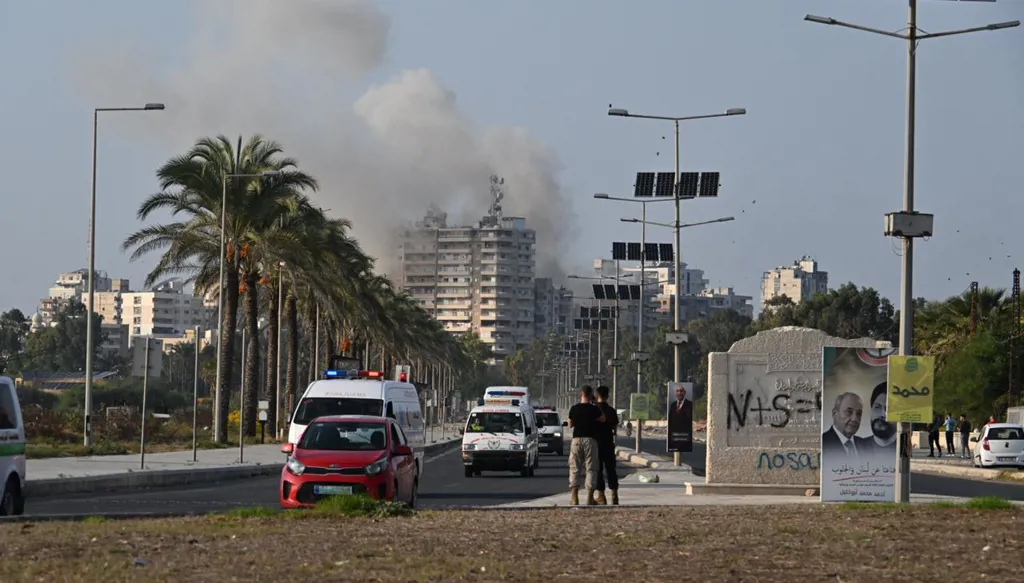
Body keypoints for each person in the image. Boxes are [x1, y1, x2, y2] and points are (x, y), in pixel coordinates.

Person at [567, 385, 605, 506]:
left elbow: (570, 424)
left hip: (576, 440)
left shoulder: (574, 408)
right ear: (591, 395)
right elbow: (603, 419)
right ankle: (589, 497)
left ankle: (574, 497)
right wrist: (596, 405)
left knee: (574, 468)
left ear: (581, 394)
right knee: (591, 469)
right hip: (591, 440)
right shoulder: (595, 409)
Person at [821, 392, 870, 459]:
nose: (854, 419)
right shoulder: (822, 443)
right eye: (849, 412)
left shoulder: (866, 445)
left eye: (858, 414)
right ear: (834, 413)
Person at [593, 385, 619, 505]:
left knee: (598, 470)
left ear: (597, 395)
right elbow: (614, 427)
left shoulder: (593, 410)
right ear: (607, 396)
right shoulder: (612, 411)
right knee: (611, 469)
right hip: (608, 442)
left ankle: (601, 496)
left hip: (596, 443)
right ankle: (614, 495)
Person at [866, 382, 897, 455]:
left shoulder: (903, 448)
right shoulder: (857, 447)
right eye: (877, 407)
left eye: (889, 409)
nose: (882, 414)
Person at [667, 384, 693, 452]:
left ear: (684, 392)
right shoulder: (673, 405)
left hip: (685, 435)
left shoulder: (689, 404)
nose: (679, 393)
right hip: (674, 436)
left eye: (681, 391)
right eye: (677, 391)